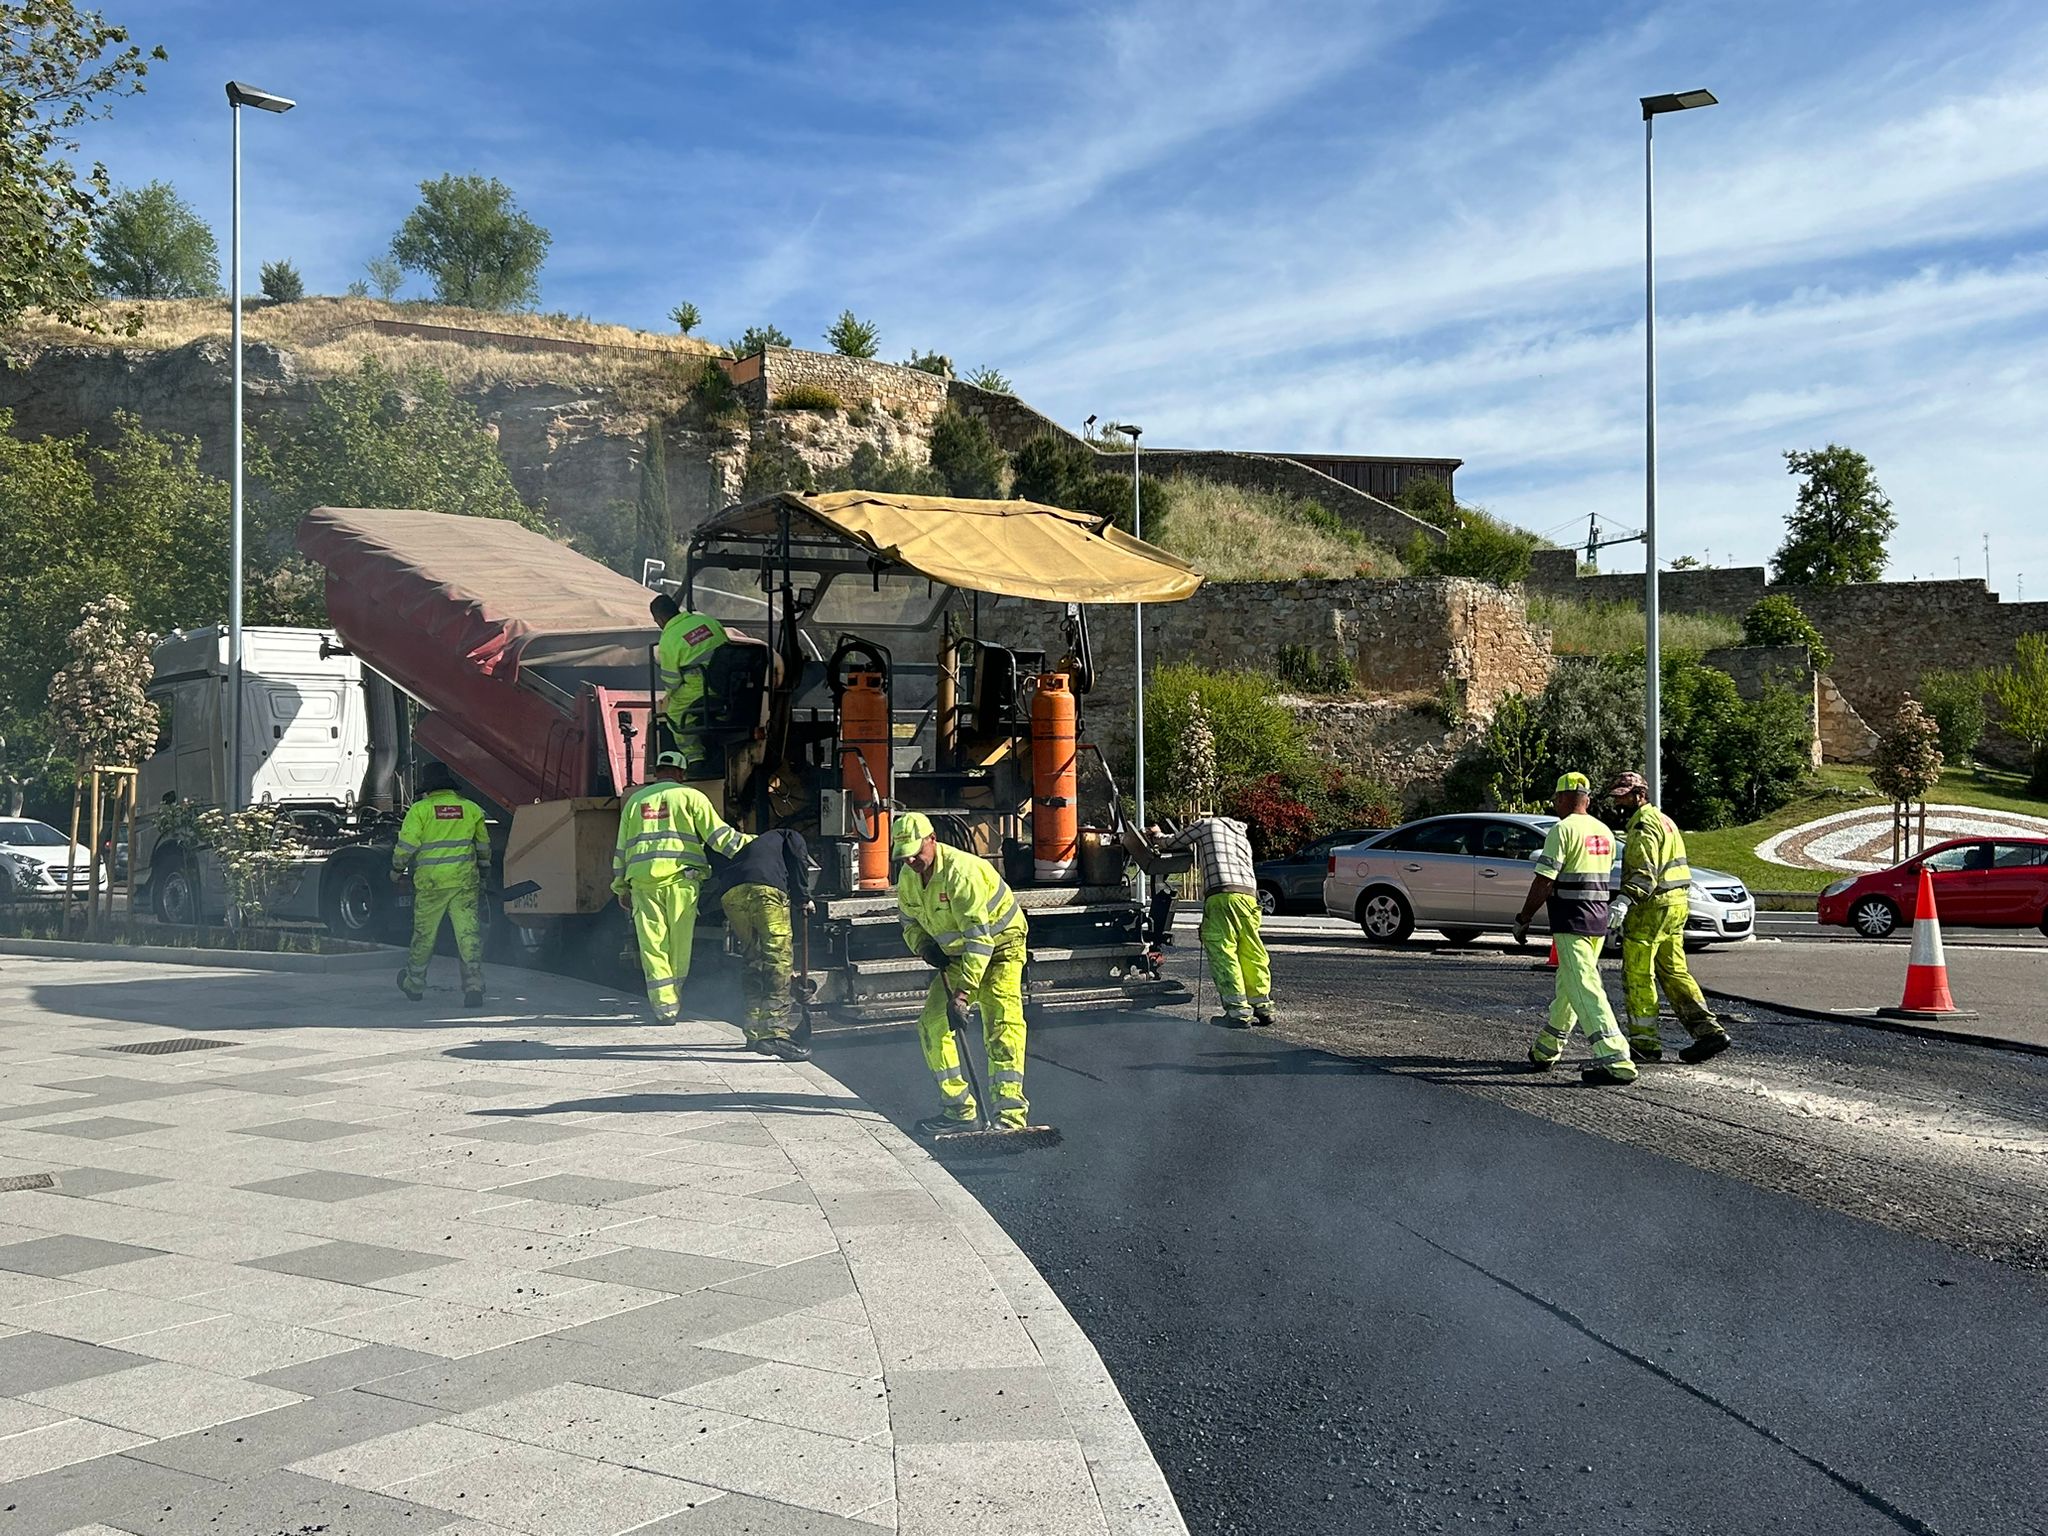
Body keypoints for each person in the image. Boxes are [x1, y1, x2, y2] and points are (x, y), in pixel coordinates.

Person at [891, 811, 1032, 1134]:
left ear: (932, 840)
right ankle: (959, 1109)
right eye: (905, 856)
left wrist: (963, 995)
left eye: (916, 852)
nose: (911, 860)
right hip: (956, 956)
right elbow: (908, 922)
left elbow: (979, 938)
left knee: (1002, 1023)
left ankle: (1010, 1115)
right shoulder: (909, 878)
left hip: (1000, 946)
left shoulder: (961, 873)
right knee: (931, 1025)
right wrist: (925, 948)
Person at [1512, 772, 1636, 1085]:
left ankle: (1616, 1059)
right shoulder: (1604, 831)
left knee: (1584, 988)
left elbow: (1544, 880)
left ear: (1564, 799)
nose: (1555, 803)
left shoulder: (1562, 830)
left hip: (1571, 921)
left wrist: (1524, 917)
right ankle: (1546, 1049)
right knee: (1569, 987)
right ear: (1588, 799)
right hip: (1597, 921)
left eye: (1556, 798)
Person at [613, 750, 749, 1024]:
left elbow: (622, 849)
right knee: (679, 945)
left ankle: (664, 1008)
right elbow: (719, 837)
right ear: (682, 773)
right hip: (680, 883)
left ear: (656, 771)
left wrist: (620, 887)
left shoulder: (635, 801)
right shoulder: (691, 797)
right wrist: (757, 843)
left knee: (652, 946)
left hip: (642, 883)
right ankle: (673, 998)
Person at [1606, 771, 1730, 1064]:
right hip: (1675, 907)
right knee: (1674, 972)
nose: (1619, 801)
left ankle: (1644, 1044)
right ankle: (1708, 1032)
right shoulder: (1665, 821)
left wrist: (1624, 900)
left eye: (1623, 795)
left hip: (1650, 909)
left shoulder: (1643, 826)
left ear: (1639, 795)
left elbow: (1644, 872)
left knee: (1638, 975)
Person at [1153, 813, 1271, 1027]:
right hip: (1249, 897)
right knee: (1251, 949)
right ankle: (1262, 1005)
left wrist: (1156, 834)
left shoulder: (1205, 824)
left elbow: (1172, 842)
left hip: (1221, 895)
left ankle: (1237, 1012)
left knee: (1223, 951)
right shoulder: (1240, 834)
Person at [708, 825, 815, 1060]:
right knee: (777, 958)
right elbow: (798, 857)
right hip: (765, 892)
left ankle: (754, 1032)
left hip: (731, 894)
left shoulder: (755, 847)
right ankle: (774, 1034)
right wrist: (803, 897)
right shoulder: (790, 834)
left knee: (754, 959)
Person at [391, 762, 490, 1008]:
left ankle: (414, 984)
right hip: (464, 882)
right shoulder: (471, 809)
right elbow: (483, 847)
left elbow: (406, 846)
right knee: (468, 934)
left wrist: (396, 869)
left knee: (424, 935)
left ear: (428, 788)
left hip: (431, 884)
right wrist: (484, 873)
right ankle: (474, 986)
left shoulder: (420, 810)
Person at [650, 593, 729, 771]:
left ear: (660, 618)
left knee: (675, 714)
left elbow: (671, 681)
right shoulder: (708, 622)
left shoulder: (669, 639)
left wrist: (669, 696)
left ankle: (695, 759)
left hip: (700, 689)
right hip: (730, 686)